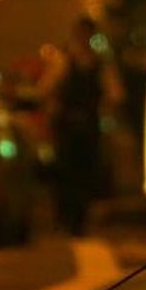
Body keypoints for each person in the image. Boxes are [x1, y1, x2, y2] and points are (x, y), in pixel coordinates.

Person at [43, 16, 123, 236]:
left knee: (86, 173)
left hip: (88, 126)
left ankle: (79, 218)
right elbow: (46, 87)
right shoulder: (63, 60)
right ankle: (66, 216)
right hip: (68, 126)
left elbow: (114, 94)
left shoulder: (99, 64)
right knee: (65, 172)